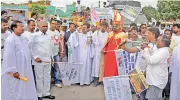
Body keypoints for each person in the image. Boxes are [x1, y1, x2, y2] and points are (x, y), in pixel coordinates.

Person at [1, 20, 38, 100]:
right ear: (14, 28)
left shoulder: (24, 38)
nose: (23, 28)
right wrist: (13, 71)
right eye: (20, 26)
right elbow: (8, 57)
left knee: (25, 88)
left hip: (25, 69)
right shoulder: (10, 40)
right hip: (16, 71)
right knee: (15, 89)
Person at [29, 20, 55, 100]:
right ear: (39, 26)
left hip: (47, 59)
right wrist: (35, 57)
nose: (45, 28)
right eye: (43, 26)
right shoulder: (34, 35)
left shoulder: (48, 35)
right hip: (39, 60)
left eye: (46, 26)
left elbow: (50, 47)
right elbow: (30, 47)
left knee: (47, 76)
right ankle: (39, 94)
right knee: (39, 78)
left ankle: (46, 93)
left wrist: (51, 57)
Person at [99, 12, 127, 81]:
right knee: (108, 69)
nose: (114, 26)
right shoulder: (110, 34)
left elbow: (124, 47)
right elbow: (106, 44)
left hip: (117, 56)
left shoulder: (123, 34)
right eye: (113, 25)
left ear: (120, 25)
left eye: (116, 25)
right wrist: (103, 49)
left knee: (116, 69)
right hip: (109, 55)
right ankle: (107, 83)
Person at [143, 35, 171, 100]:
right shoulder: (161, 50)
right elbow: (153, 54)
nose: (156, 42)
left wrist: (146, 49)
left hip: (155, 82)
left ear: (163, 43)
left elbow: (150, 60)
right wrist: (148, 48)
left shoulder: (163, 52)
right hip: (155, 80)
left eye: (158, 41)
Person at [92, 22, 109, 86]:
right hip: (97, 52)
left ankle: (102, 79)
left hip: (104, 52)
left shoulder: (108, 34)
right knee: (96, 66)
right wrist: (97, 36)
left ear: (106, 27)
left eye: (105, 27)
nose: (103, 28)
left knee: (103, 66)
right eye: (102, 26)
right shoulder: (96, 33)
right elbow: (93, 41)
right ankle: (96, 79)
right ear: (100, 26)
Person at [47, 19, 62, 88]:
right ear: (50, 24)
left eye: (55, 24)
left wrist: (61, 51)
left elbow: (58, 42)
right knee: (48, 68)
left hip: (56, 53)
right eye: (53, 23)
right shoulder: (47, 32)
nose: (54, 25)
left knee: (56, 68)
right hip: (48, 54)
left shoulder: (57, 32)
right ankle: (47, 83)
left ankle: (56, 81)